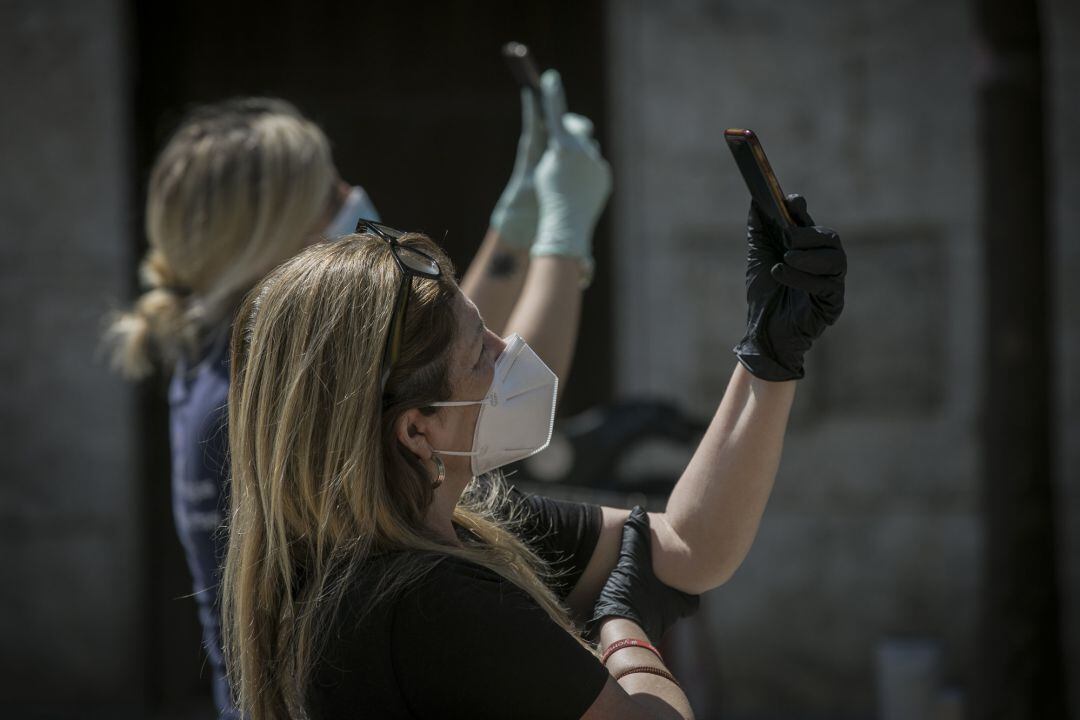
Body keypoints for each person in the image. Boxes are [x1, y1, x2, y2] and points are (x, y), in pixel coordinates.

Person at [222, 70, 847, 718]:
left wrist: (768, 358)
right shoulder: (434, 603)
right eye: (480, 351)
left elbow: (690, 548)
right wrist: (625, 629)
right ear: (416, 431)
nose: (508, 348)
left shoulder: (429, 529)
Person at [105, 97, 380, 718]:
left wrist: (516, 238)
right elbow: (471, 421)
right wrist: (556, 247)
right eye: (327, 195)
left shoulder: (218, 363)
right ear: (272, 237)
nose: (351, 203)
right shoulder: (256, 389)